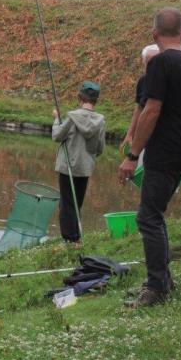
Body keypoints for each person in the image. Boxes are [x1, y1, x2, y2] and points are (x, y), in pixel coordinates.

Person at [118, 8, 181, 307]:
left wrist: (133, 155)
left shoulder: (160, 63)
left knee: (147, 216)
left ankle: (157, 287)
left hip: (164, 151)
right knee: (155, 213)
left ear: (154, 35)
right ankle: (163, 280)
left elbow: (152, 109)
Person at [51, 81, 106, 244]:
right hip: (85, 167)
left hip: (67, 167)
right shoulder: (100, 121)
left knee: (67, 202)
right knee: (77, 202)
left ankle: (70, 238)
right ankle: (75, 237)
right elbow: (100, 148)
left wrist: (56, 119)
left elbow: (57, 136)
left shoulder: (72, 117)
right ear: (96, 100)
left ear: (79, 97)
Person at [120, 44, 160, 158]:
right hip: (142, 137)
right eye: (148, 62)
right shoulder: (143, 81)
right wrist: (129, 135)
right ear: (144, 63)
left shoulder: (168, 82)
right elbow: (139, 109)